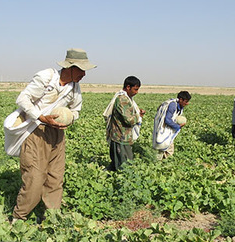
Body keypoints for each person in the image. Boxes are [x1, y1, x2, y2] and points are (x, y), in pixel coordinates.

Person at [11, 48, 96, 221]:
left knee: (55, 178)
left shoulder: (74, 87)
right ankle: (19, 219)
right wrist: (41, 117)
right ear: (70, 67)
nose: (84, 74)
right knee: (35, 177)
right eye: (81, 69)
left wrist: (70, 119)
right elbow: (22, 99)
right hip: (36, 131)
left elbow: (76, 110)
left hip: (57, 134)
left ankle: (52, 219)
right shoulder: (46, 77)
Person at [104, 76, 145, 171]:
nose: (136, 92)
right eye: (135, 89)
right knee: (125, 164)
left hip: (122, 136)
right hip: (121, 137)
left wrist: (137, 113)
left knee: (118, 161)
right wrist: (138, 116)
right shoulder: (122, 99)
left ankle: (108, 174)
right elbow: (129, 120)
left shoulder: (126, 98)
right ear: (128, 87)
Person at [152, 91, 191, 160]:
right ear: (181, 100)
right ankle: (164, 162)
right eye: (186, 101)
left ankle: (160, 161)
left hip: (169, 128)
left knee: (165, 146)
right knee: (166, 145)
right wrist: (178, 126)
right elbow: (167, 120)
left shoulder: (180, 106)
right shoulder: (173, 105)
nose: (187, 103)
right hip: (164, 128)